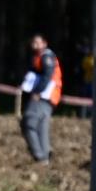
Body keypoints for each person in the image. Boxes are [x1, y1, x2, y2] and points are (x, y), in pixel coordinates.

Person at [19, 33, 62, 164]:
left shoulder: (46, 57)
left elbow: (47, 76)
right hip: (51, 98)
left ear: (44, 43)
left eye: (38, 42)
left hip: (44, 96)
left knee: (29, 123)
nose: (35, 45)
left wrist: (37, 91)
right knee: (41, 127)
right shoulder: (39, 58)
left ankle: (40, 156)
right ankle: (45, 156)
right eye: (33, 43)